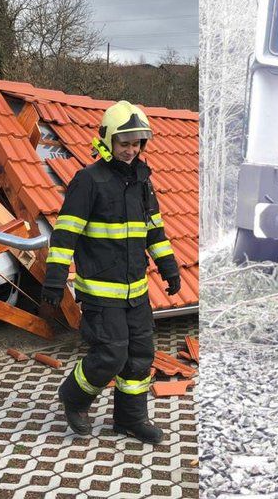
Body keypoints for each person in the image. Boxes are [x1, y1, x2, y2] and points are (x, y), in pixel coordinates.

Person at [42, 100, 181, 444]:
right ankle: (74, 398)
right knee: (110, 355)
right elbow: (65, 234)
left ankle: (129, 419)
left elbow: (155, 231)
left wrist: (169, 268)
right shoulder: (88, 181)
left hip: (136, 292)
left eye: (136, 144)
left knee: (139, 357)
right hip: (101, 293)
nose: (131, 150)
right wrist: (55, 279)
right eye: (124, 143)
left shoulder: (142, 181)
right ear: (107, 140)